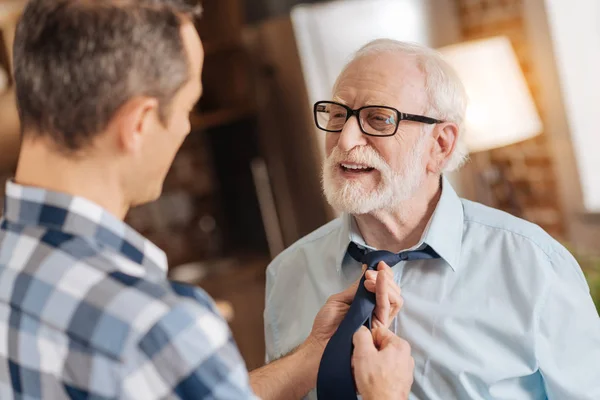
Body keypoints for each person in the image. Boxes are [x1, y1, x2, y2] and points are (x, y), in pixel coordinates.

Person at [0, 1, 413, 399]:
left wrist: (311, 357)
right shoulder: (152, 327)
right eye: (186, 107)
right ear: (139, 124)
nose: (184, 127)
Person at [264, 38, 600, 399]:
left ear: (440, 145)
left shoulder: (534, 265)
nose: (345, 140)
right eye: (336, 114)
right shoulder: (287, 275)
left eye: (378, 119)